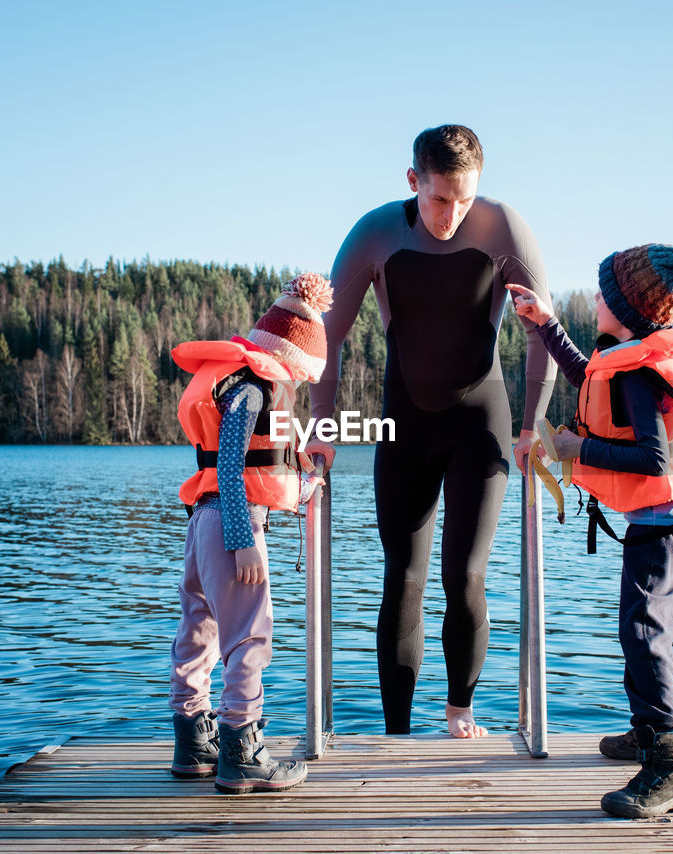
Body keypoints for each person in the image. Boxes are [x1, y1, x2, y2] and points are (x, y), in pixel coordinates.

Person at [305, 125, 556, 738]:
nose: (452, 215)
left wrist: (531, 427)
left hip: (482, 421)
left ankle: (460, 714)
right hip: (403, 423)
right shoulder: (374, 233)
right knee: (404, 576)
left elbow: (543, 333)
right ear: (413, 181)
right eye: (440, 199)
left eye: (465, 200)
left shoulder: (505, 228)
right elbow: (326, 339)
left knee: (466, 574)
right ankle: (396, 733)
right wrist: (321, 428)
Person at [507, 241, 673, 818]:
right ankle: (648, 734)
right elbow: (586, 373)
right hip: (665, 520)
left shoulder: (637, 375)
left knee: (643, 635)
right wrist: (545, 322)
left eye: (604, 291)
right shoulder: (626, 358)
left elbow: (652, 459)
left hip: (664, 524)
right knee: (638, 630)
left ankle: (671, 767)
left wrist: (580, 447)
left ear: (626, 309)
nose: (596, 297)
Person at [167, 272, 333, 794]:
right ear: (293, 358)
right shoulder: (253, 392)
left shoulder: (236, 380)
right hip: (232, 525)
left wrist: (307, 482)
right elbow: (239, 464)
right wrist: (243, 539)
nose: (301, 388)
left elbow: (246, 468)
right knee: (250, 637)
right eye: (303, 378)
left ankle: (194, 744)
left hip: (202, 520)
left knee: (200, 632)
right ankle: (242, 750)